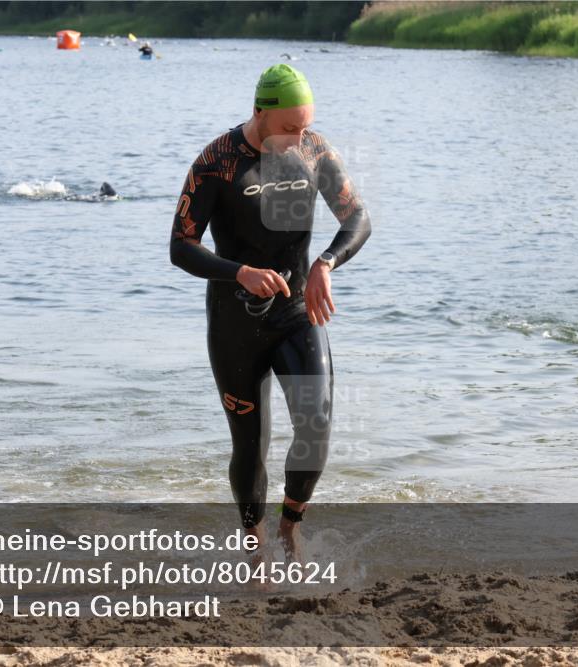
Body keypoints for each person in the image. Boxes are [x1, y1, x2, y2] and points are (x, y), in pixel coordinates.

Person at [169, 64, 371, 556]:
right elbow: (180, 246)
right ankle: (255, 544)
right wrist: (238, 271)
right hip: (234, 324)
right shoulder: (216, 162)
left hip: (296, 314)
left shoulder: (313, 150)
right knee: (250, 445)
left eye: (303, 127)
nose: (296, 138)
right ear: (259, 112)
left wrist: (326, 263)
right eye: (287, 128)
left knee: (316, 422)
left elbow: (358, 218)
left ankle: (291, 524)